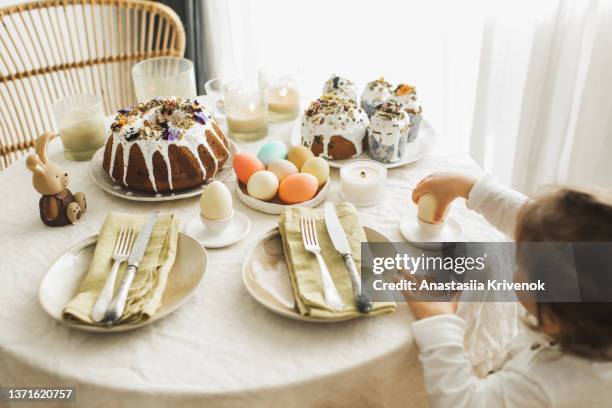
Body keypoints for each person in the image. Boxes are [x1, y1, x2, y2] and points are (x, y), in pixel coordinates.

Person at [400, 172, 612, 407]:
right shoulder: (589, 297)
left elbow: (463, 402)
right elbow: (541, 231)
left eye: (521, 261)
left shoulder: (545, 387)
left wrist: (438, 318)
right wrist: (472, 189)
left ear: (552, 319)